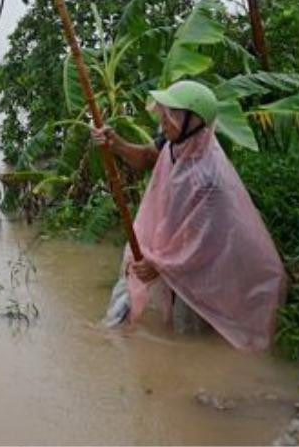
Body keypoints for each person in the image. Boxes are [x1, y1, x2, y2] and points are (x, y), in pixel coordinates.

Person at [94, 80, 287, 351]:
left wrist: (158, 264)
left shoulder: (207, 176)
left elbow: (202, 244)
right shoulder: (176, 144)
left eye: (170, 114)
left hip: (211, 264)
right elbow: (150, 157)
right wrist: (116, 145)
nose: (163, 119)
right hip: (177, 254)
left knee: (191, 333)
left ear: (191, 121)